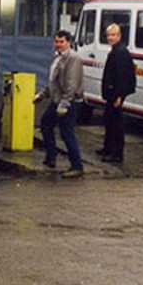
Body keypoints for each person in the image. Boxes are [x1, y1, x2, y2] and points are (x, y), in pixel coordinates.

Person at [35, 29, 84, 178]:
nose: (58, 44)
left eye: (62, 42)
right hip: (56, 100)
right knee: (45, 124)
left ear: (68, 42)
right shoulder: (57, 57)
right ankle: (51, 157)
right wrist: (42, 95)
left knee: (67, 133)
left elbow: (72, 84)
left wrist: (64, 104)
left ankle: (77, 166)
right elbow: (53, 81)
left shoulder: (73, 58)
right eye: (56, 41)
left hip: (68, 102)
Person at [99, 23, 136, 163]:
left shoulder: (120, 52)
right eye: (108, 35)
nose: (110, 38)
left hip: (116, 94)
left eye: (113, 35)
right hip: (111, 92)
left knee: (116, 124)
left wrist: (120, 96)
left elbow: (123, 75)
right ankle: (107, 148)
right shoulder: (116, 50)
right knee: (108, 120)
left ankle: (116, 154)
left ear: (119, 36)